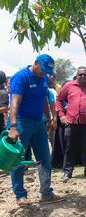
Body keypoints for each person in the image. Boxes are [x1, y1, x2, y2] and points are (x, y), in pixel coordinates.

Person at [8, 54, 61, 206]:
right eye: (42, 69)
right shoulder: (21, 77)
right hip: (21, 121)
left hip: (38, 122)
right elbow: (14, 103)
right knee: (18, 159)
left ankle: (46, 192)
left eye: (46, 71)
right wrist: (13, 127)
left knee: (44, 158)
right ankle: (20, 195)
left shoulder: (43, 78)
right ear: (35, 63)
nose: (43, 73)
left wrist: (49, 118)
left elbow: (44, 99)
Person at [56, 66, 86, 182]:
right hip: (72, 122)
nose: (83, 77)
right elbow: (59, 100)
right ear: (76, 75)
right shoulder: (69, 86)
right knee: (70, 147)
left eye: (85, 75)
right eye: (80, 74)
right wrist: (61, 115)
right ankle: (67, 171)